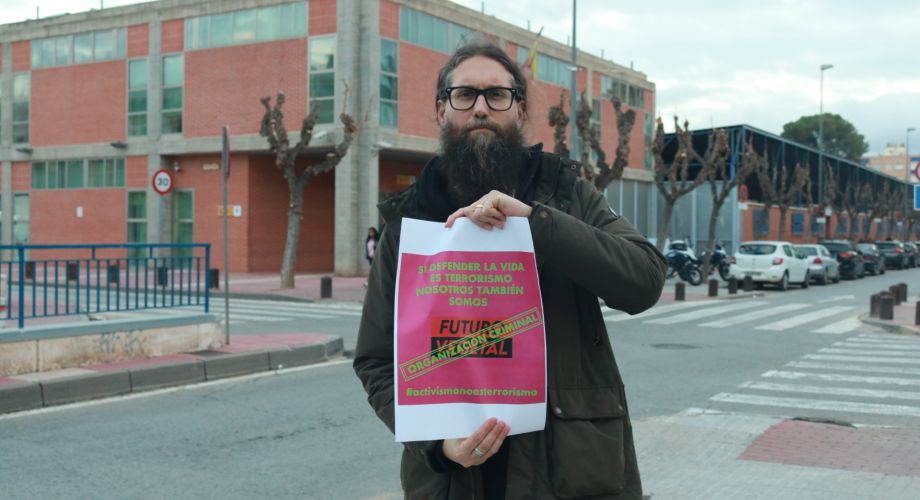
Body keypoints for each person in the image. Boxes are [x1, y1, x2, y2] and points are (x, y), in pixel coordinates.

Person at [353, 39, 667, 500]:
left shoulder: (567, 195)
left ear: (519, 110)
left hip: (572, 474)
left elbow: (645, 281)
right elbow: (376, 359)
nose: (481, 108)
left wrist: (536, 221)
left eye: (497, 95)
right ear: (442, 110)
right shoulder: (409, 222)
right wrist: (437, 446)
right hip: (453, 483)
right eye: (465, 95)